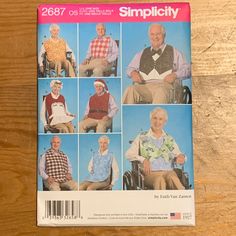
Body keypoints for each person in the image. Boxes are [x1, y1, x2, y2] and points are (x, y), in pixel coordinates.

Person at [123, 24, 191, 104]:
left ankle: (157, 114)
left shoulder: (174, 51)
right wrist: (133, 73)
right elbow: (129, 68)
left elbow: (188, 69)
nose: (155, 37)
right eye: (152, 34)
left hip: (165, 86)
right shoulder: (142, 53)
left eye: (158, 34)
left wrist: (175, 75)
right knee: (130, 89)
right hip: (144, 86)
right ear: (149, 36)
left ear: (164, 35)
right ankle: (127, 115)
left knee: (161, 91)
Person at [125, 107, 186, 190]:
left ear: (165, 122)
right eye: (155, 118)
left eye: (161, 119)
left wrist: (181, 157)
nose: (157, 122)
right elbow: (129, 154)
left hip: (169, 172)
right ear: (151, 119)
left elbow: (179, 154)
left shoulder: (169, 138)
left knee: (174, 180)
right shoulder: (142, 137)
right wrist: (143, 160)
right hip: (150, 174)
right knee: (159, 180)